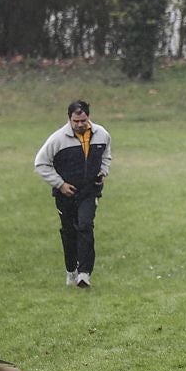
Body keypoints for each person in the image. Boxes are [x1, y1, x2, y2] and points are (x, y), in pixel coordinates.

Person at [34, 99, 112, 288]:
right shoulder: (57, 139)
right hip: (66, 194)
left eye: (83, 120)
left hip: (89, 192)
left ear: (88, 117)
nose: (79, 124)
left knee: (85, 226)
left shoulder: (102, 135)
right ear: (69, 119)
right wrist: (60, 184)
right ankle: (71, 270)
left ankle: (84, 274)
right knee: (69, 232)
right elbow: (40, 163)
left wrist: (103, 172)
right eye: (75, 121)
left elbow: (106, 156)